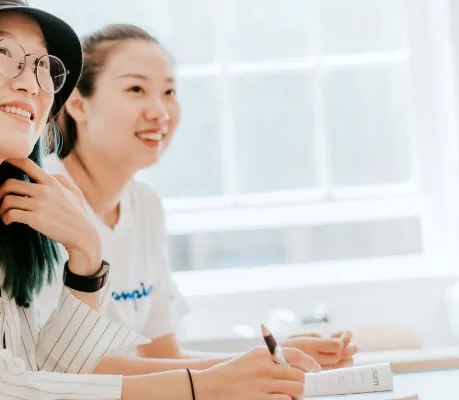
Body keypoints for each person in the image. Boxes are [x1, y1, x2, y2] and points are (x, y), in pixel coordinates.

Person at [0, 2, 318, 399]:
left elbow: (48, 372)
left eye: (43, 67)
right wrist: (200, 386)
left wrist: (86, 260)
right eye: (3, 55)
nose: (33, 83)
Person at [38, 24, 358, 376]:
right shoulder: (46, 198)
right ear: (78, 104)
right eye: (136, 89)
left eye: (169, 91)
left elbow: (161, 356)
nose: (159, 111)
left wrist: (277, 357)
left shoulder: (145, 205)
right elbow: (68, 368)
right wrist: (253, 365)